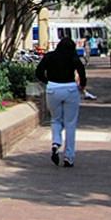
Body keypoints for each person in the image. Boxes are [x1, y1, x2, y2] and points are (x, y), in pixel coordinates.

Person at [36, 36, 88, 168]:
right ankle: (69, 157)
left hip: (53, 89)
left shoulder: (49, 56)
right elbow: (81, 70)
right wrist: (82, 85)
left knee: (55, 119)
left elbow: (38, 71)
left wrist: (48, 81)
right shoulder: (73, 57)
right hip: (70, 88)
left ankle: (56, 142)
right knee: (70, 123)